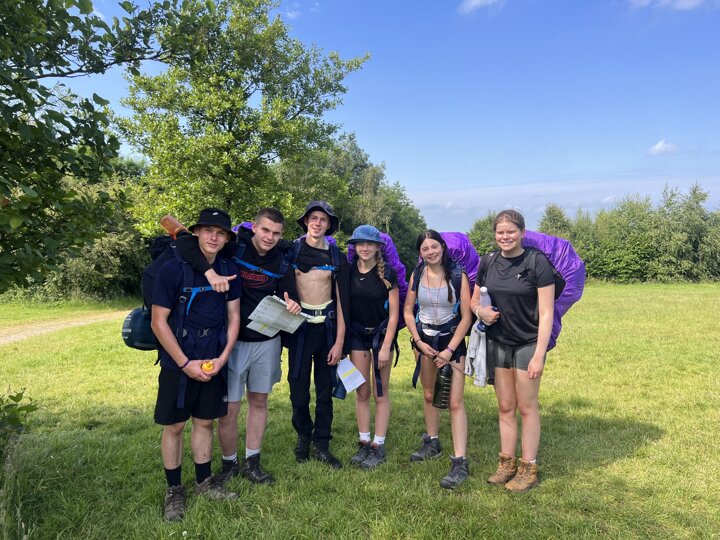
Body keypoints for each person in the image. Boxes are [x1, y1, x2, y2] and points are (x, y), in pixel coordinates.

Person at [175, 208, 301, 485]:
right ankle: (229, 463)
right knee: (229, 408)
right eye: (265, 230)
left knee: (259, 401)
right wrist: (209, 273)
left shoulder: (282, 260)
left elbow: (290, 295)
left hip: (266, 342)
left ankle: (252, 461)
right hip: (231, 343)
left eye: (276, 233)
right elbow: (185, 243)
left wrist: (293, 303)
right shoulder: (234, 248)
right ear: (254, 227)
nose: (269, 237)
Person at [151, 208, 241, 521]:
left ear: (227, 238)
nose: (213, 237)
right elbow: (158, 321)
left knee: (205, 422)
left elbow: (234, 316)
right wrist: (184, 362)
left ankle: (204, 482)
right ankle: (174, 490)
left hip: (213, 357)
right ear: (197, 232)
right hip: (179, 358)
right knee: (175, 425)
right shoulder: (173, 269)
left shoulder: (229, 269)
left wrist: (224, 356)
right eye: (208, 230)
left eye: (220, 233)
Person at [471, 210, 555, 493]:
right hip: (498, 342)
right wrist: (480, 311)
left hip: (528, 343)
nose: (505, 237)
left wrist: (539, 354)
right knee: (506, 406)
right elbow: (473, 300)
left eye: (511, 231)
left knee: (527, 406)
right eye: (500, 232)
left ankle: (528, 468)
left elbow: (546, 312)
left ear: (522, 233)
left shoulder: (536, 262)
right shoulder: (488, 261)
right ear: (494, 234)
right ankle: (506, 464)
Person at [404, 230, 472, 489]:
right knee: (429, 394)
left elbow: (467, 316)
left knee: (454, 401)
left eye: (434, 246)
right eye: (425, 248)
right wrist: (418, 341)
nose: (430, 252)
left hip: (451, 342)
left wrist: (449, 350)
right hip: (424, 342)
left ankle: (460, 461)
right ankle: (432, 442)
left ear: (442, 247)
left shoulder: (458, 274)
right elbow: (408, 311)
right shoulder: (417, 274)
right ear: (420, 253)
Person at [287, 201, 350, 469]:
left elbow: (342, 301)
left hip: (327, 330)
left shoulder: (337, 257)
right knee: (298, 389)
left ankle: (321, 443)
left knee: (324, 391)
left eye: (323, 219)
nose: (317, 223)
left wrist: (339, 342)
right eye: (313, 218)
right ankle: (303, 435)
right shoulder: (292, 250)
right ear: (305, 221)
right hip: (300, 330)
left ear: (329, 225)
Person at [346, 225, 400, 469]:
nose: (365, 248)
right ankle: (364, 440)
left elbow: (394, 314)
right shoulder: (348, 271)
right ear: (355, 247)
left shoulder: (388, 273)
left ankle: (379, 444)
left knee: (380, 392)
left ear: (378, 247)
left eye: (369, 244)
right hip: (357, 336)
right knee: (362, 391)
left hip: (381, 336)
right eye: (360, 244)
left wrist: (387, 345)